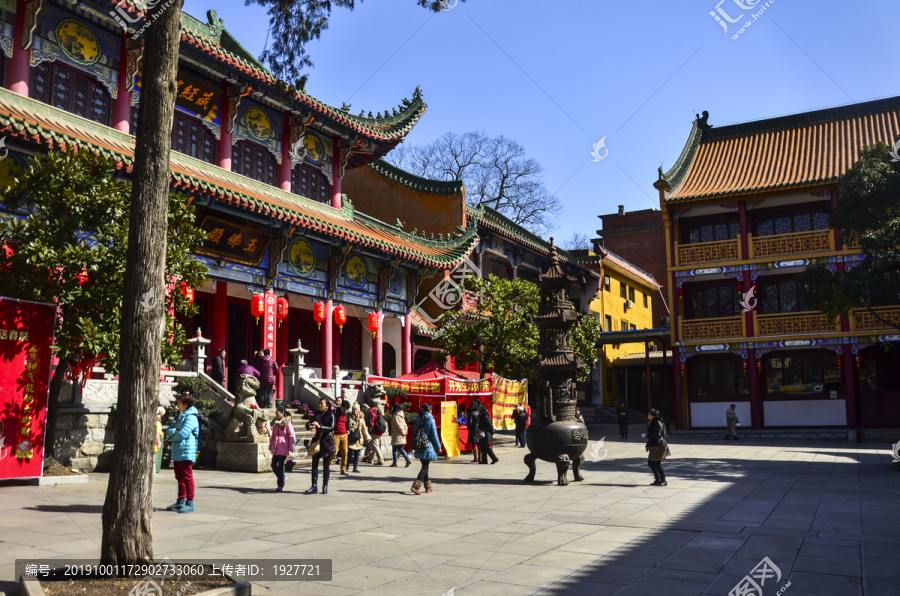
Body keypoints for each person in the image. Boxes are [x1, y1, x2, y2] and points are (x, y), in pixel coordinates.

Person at [164, 394, 199, 513]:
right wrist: (175, 432)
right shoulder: (178, 416)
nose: (177, 405)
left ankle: (190, 502)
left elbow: (183, 433)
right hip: (178, 450)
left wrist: (173, 435)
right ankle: (180, 500)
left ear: (185, 404)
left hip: (186, 450)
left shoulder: (191, 417)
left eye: (179, 403)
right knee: (179, 477)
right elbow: (169, 430)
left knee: (187, 477)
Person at [305, 397, 336, 494]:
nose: (319, 405)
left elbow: (331, 427)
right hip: (317, 441)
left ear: (327, 406)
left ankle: (325, 486)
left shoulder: (331, 415)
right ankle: (314, 486)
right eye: (319, 403)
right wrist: (309, 426)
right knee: (314, 463)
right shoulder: (317, 415)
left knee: (326, 465)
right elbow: (308, 423)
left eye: (321, 404)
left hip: (327, 441)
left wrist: (320, 427)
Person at [411, 403, 442, 495]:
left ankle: (428, 487)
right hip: (427, 445)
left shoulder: (418, 419)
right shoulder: (431, 419)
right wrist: (438, 447)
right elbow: (434, 435)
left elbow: (414, 433)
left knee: (425, 464)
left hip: (419, 445)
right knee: (425, 466)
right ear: (430, 410)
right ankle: (416, 486)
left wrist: (413, 444)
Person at [269, 406, 295, 492]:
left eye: (279, 412)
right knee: (273, 464)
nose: (277, 414)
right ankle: (283, 477)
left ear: (283, 413)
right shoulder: (275, 423)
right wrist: (271, 445)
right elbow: (273, 436)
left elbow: (291, 435)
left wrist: (292, 447)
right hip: (276, 447)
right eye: (276, 412)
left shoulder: (287, 422)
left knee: (281, 466)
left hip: (283, 446)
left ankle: (280, 485)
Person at [645, 408, 668, 486]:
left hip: (659, 445)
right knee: (651, 463)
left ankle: (663, 480)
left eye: (649, 414)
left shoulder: (657, 423)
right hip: (654, 444)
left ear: (653, 415)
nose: (648, 415)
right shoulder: (652, 422)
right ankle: (658, 479)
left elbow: (657, 435)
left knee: (656, 463)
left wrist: (647, 436)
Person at [347, 403, 370, 473]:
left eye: (356, 409)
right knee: (350, 454)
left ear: (359, 410)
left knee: (357, 454)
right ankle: (346, 466)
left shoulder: (361, 419)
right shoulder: (349, 417)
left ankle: (355, 466)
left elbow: (364, 429)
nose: (355, 411)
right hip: (351, 438)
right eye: (353, 409)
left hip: (359, 438)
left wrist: (367, 437)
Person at [389, 403, 411, 467]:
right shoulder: (402, 415)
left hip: (397, 434)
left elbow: (398, 425)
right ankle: (407, 459)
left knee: (395, 448)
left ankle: (395, 462)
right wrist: (405, 431)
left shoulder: (395, 416)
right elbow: (405, 424)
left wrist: (402, 431)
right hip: (402, 434)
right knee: (400, 448)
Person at [333, 399, 351, 475]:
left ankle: (343, 469)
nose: (345, 410)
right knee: (334, 452)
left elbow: (348, 422)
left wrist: (348, 429)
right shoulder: (335, 411)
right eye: (344, 409)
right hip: (336, 434)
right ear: (342, 406)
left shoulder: (347, 414)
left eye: (346, 409)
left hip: (344, 434)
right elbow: (332, 420)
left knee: (345, 452)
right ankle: (327, 465)